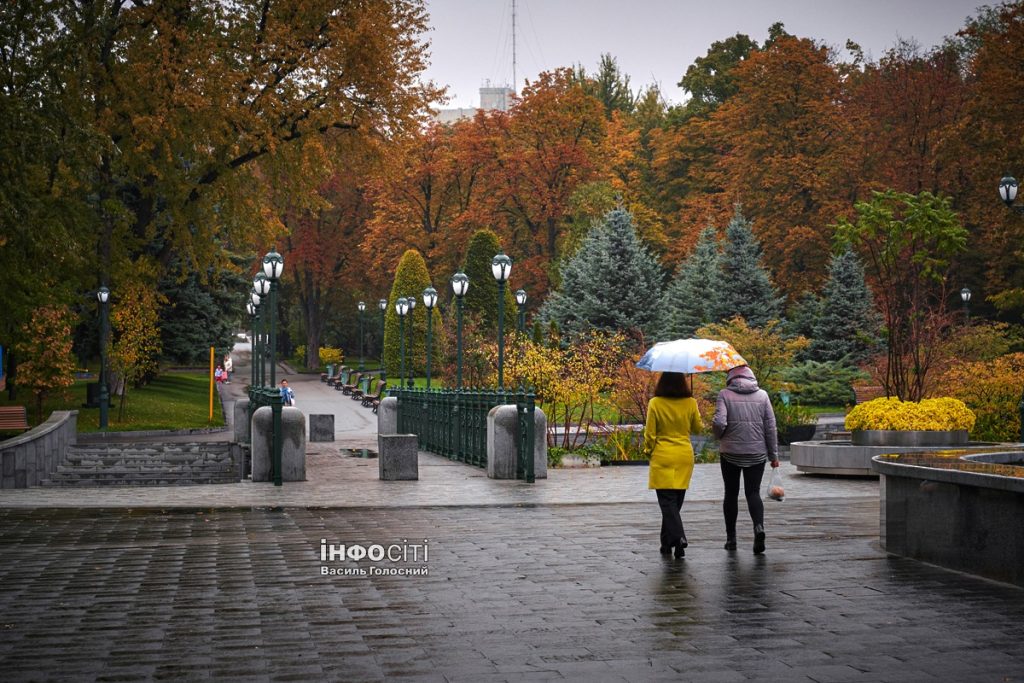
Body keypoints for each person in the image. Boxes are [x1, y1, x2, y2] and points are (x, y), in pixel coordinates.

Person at [712, 365, 779, 554]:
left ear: (730, 378)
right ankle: (759, 527)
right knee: (753, 493)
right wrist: (774, 455)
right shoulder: (763, 395)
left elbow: (719, 422)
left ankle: (731, 539)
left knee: (731, 494)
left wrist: (718, 435)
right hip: (756, 453)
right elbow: (771, 427)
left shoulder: (724, 394)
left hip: (730, 453)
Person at [644, 371, 703, 559]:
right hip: (684, 455)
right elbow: (698, 428)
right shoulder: (690, 402)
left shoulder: (655, 403)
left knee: (667, 503)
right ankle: (667, 543)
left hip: (663, 455)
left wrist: (647, 451)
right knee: (674, 503)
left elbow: (650, 434)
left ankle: (679, 537)